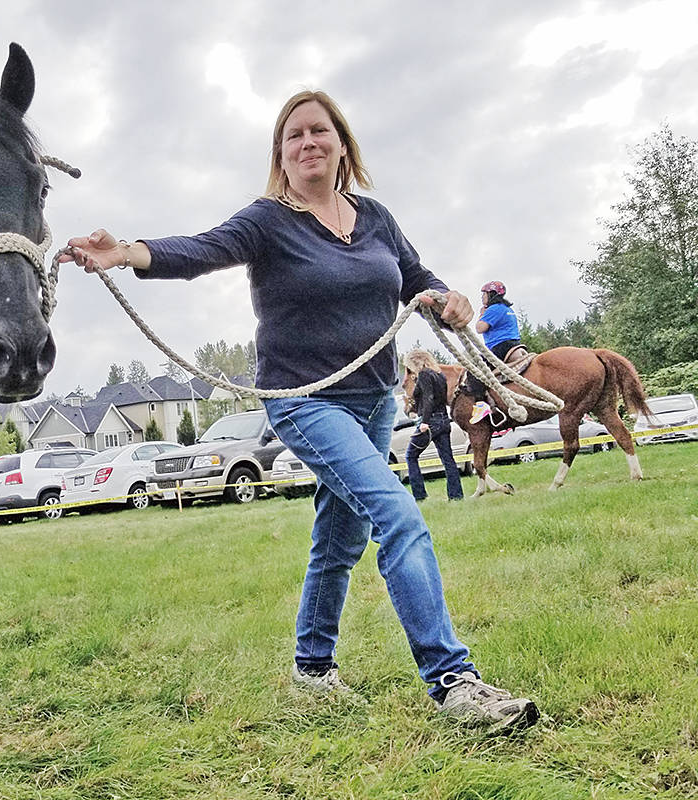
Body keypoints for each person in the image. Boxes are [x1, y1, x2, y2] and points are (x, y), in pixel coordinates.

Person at [62, 90, 537, 728]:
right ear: (281, 154)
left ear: (342, 144)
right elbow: (201, 250)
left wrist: (445, 297)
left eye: (319, 131)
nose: (307, 142)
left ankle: (312, 671)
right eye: (293, 135)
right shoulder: (268, 221)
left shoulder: (375, 218)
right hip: (302, 400)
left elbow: (415, 274)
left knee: (340, 538)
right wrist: (123, 252)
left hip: (372, 398)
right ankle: (454, 681)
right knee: (397, 514)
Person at [403, 349, 464, 502]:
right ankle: (456, 496)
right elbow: (437, 398)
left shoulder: (424, 375)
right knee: (448, 459)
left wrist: (424, 422)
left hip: (430, 423)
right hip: (444, 420)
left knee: (411, 456)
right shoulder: (439, 375)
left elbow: (429, 398)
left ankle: (419, 495)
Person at [463, 280, 522, 424]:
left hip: (500, 346)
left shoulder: (494, 309)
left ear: (491, 294)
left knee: (474, 371)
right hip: (514, 343)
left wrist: (481, 314)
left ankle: (481, 403)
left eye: (484, 294)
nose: (482, 297)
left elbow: (480, 328)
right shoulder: (507, 308)